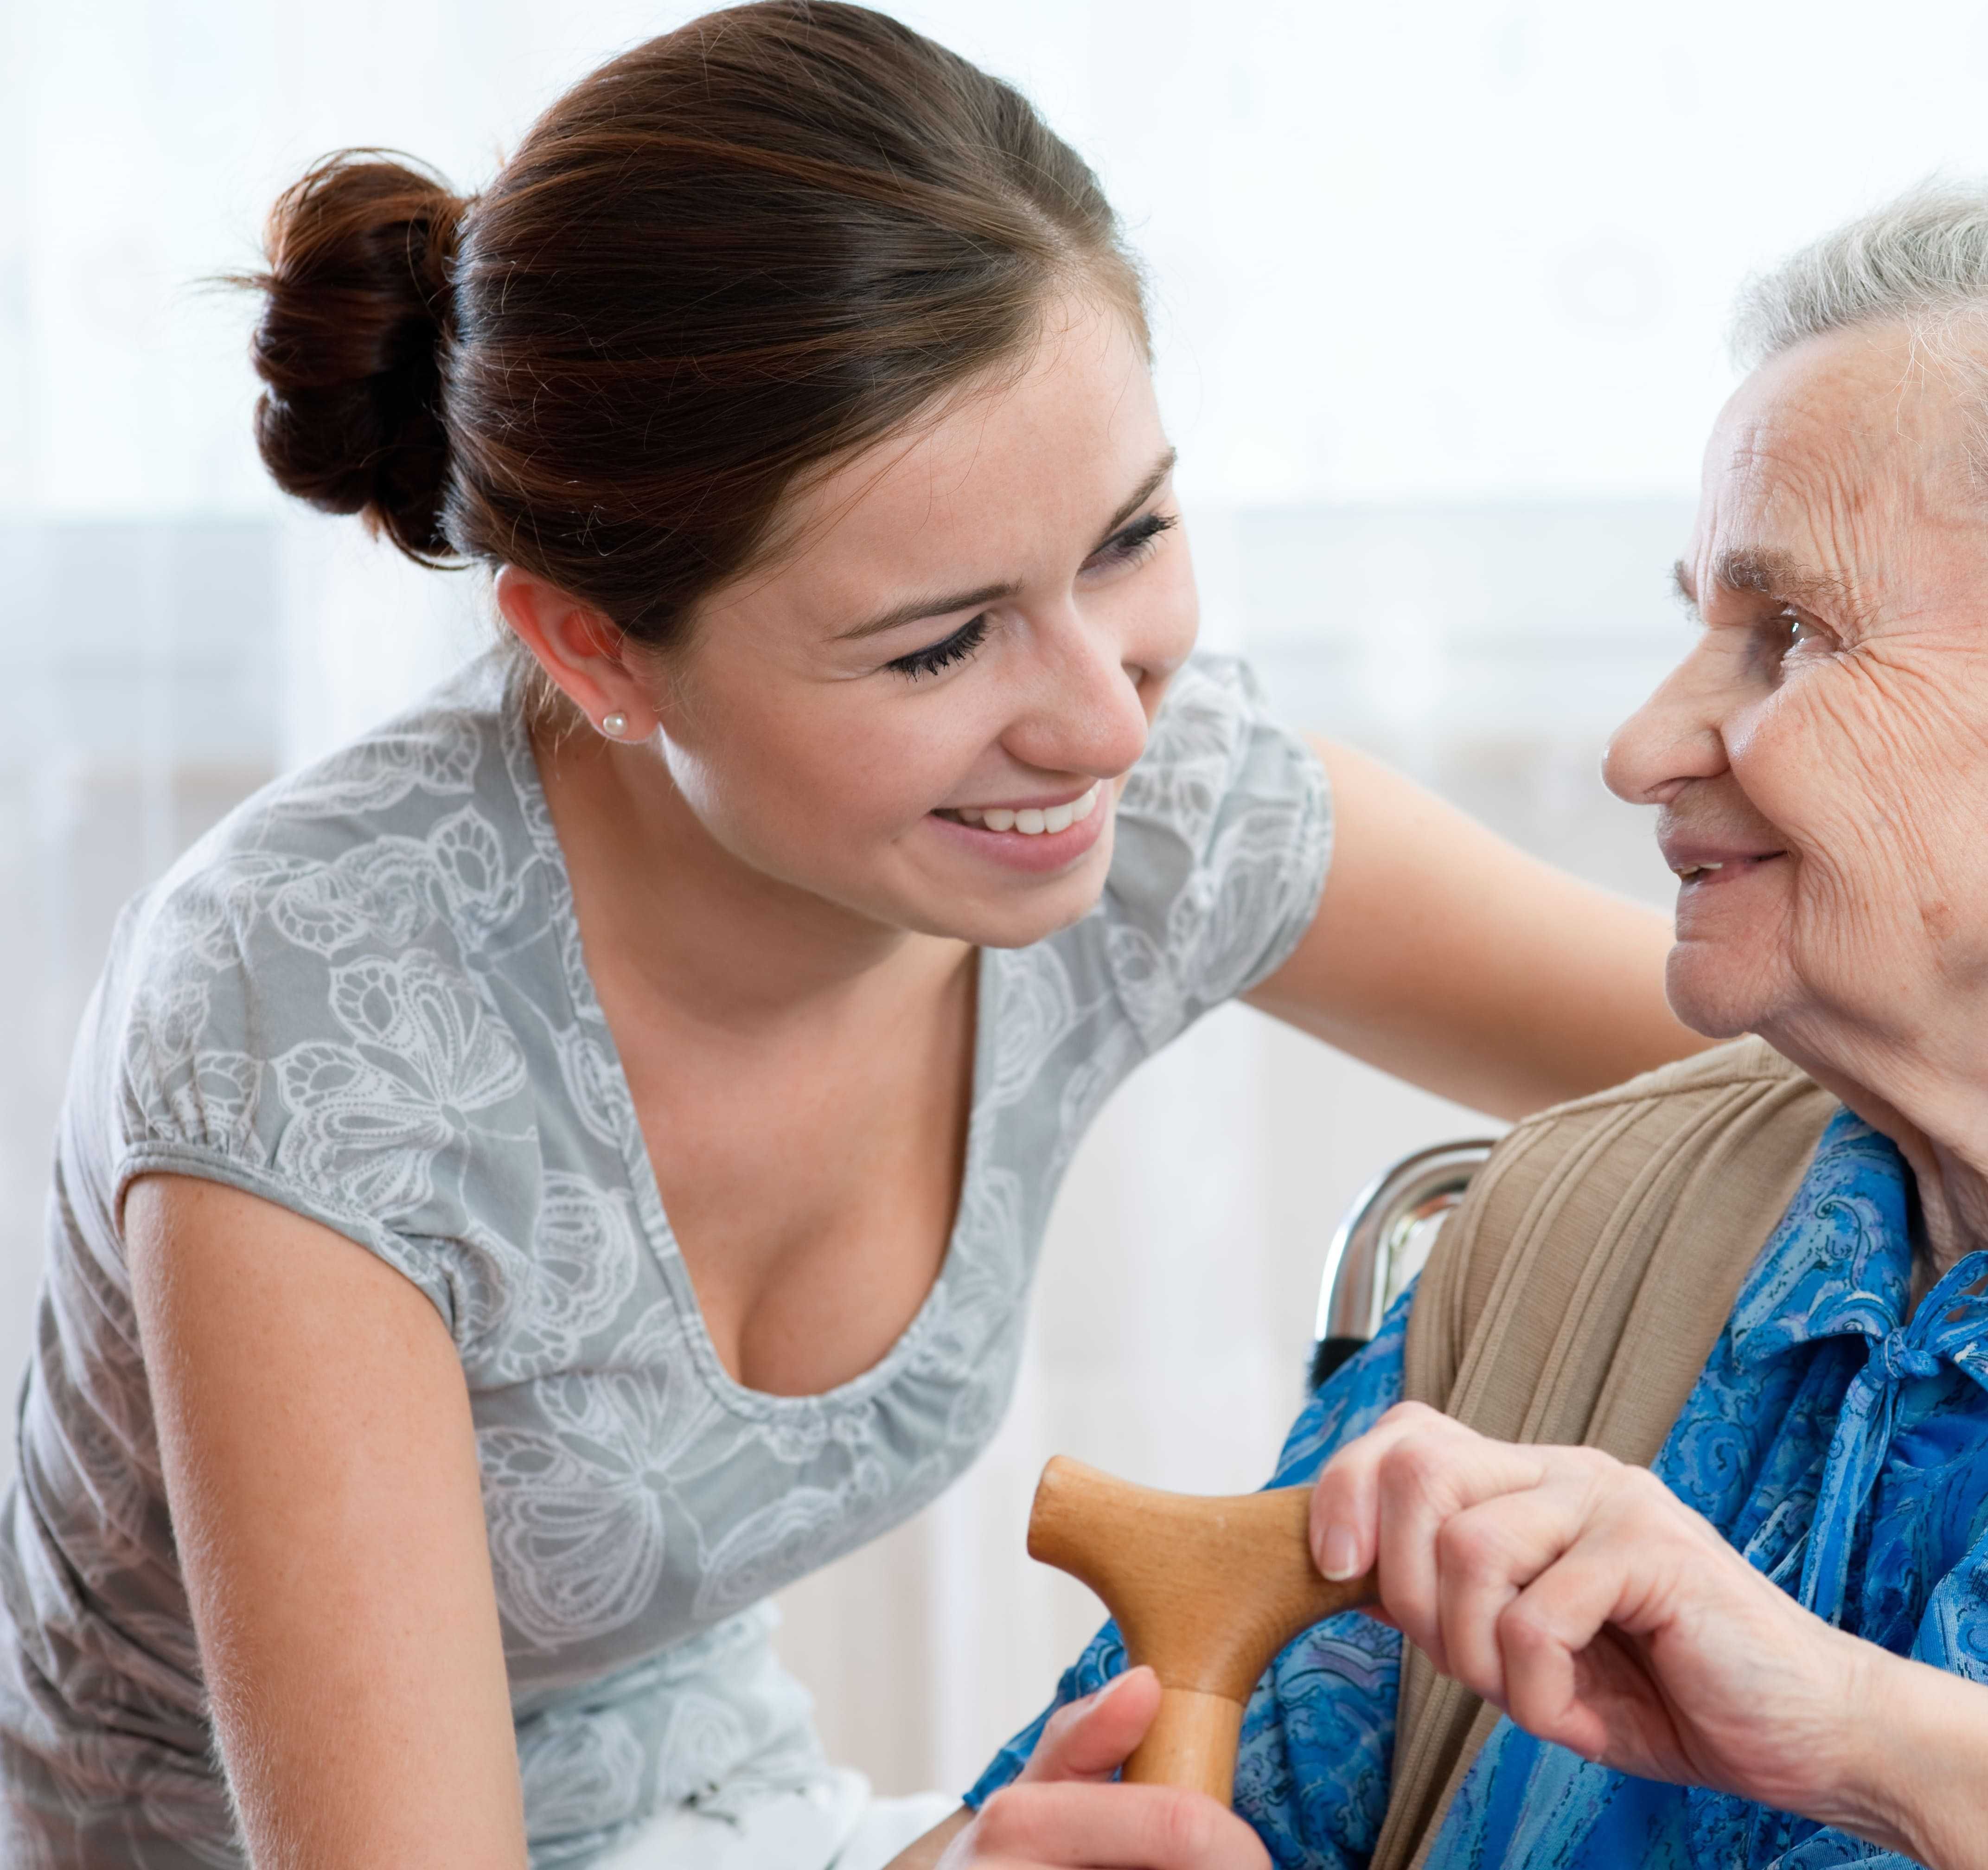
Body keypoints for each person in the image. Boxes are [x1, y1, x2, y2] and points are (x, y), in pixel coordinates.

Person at [0, 7, 1714, 1865]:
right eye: (934, 644)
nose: (1103, 720)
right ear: (591, 647)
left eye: (1128, 538)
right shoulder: (304, 1018)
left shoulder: (1148, 807)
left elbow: (1807, 1049)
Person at [940, 135, 1988, 1869]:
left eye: (1795, 633)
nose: (1643, 748)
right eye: (1702, 622)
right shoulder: (1565, 1236)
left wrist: (1863, 1736)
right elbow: (1108, 1814)